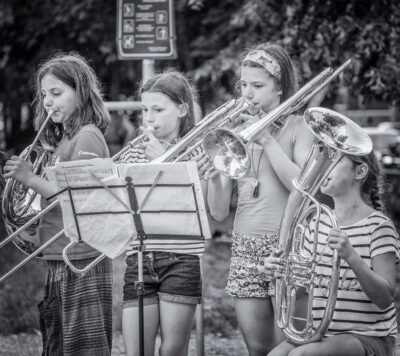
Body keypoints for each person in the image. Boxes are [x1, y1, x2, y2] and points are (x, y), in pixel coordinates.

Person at [198, 43, 315, 355]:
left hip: (288, 247)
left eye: (258, 86)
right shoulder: (238, 132)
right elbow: (219, 211)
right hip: (246, 247)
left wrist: (265, 139)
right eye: (244, 85)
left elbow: (303, 186)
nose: (247, 94)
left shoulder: (299, 126)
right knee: (257, 349)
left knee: (287, 348)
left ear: (280, 87)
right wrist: (214, 177)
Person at [3, 53, 113, 356]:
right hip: (61, 256)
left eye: (57, 92)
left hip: (81, 258)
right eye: (44, 95)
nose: (49, 101)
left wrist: (29, 178)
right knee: (58, 346)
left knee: (82, 348)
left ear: (80, 92)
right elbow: (55, 197)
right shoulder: (65, 139)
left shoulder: (87, 137)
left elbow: (80, 203)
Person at [264, 151, 399, 356]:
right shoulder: (317, 222)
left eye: (333, 163)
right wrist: (281, 275)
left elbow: (385, 298)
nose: (324, 169)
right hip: (322, 335)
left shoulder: (379, 227)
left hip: (370, 337)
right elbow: (302, 293)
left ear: (360, 171)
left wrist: (351, 256)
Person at [118, 70, 203, 356]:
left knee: (173, 351)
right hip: (139, 256)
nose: (149, 118)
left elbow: (201, 206)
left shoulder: (198, 151)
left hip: (182, 257)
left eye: (157, 109)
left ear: (181, 110)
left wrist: (162, 159)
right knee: (136, 352)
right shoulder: (133, 153)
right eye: (144, 110)